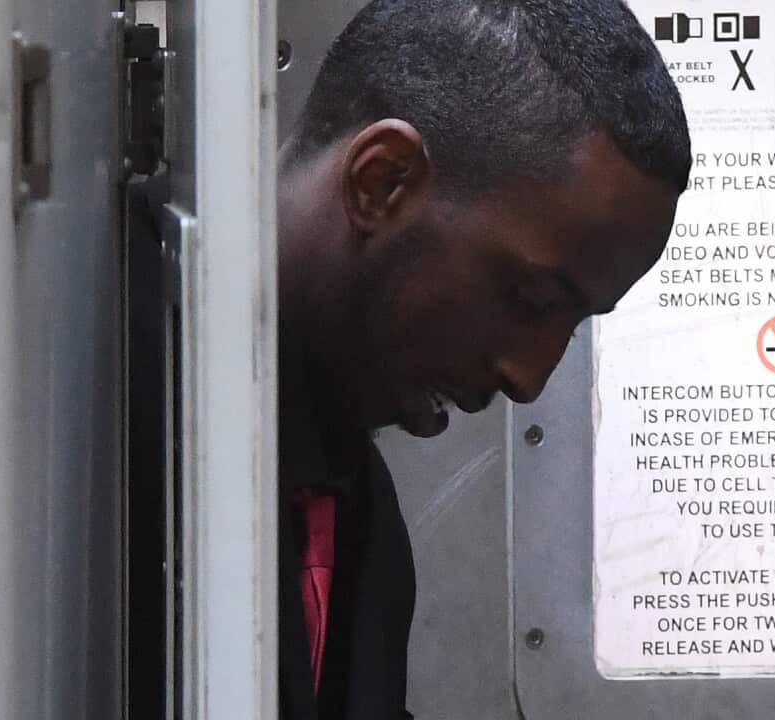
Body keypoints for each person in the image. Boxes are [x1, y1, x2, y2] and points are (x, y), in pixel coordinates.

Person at [274, 0, 691, 717]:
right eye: (528, 298)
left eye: (574, 323)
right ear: (382, 182)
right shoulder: (118, 448)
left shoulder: (354, 514)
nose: (528, 379)